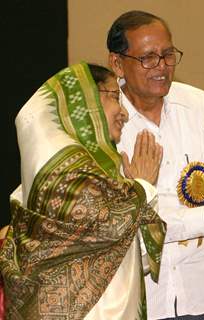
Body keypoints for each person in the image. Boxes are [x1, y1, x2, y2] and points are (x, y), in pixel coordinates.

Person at [0, 62, 166, 319]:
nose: (123, 112)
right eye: (113, 96)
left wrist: (135, 192)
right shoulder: (61, 173)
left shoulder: (98, 175)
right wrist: (142, 187)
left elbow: (133, 256)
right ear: (82, 101)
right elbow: (108, 225)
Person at [107, 10, 204, 320]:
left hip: (200, 295)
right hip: (140, 301)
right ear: (117, 63)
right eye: (148, 58)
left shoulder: (200, 105)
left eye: (167, 54)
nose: (161, 67)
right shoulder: (106, 123)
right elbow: (128, 221)